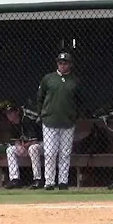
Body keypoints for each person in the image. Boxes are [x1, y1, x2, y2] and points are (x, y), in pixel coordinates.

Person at [37, 51, 83, 190]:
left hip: (68, 122)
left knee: (65, 153)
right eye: (60, 63)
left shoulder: (75, 81)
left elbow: (79, 101)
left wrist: (74, 116)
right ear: (57, 64)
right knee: (50, 153)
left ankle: (63, 182)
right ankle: (49, 182)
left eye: (65, 63)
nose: (62, 65)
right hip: (50, 121)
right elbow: (40, 97)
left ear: (70, 64)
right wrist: (42, 114)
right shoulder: (48, 79)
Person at [1, 103, 43, 189]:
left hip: (41, 144)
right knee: (10, 150)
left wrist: (24, 146)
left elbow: (34, 140)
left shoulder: (27, 120)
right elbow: (16, 141)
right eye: (7, 113)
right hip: (26, 146)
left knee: (33, 148)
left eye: (11, 113)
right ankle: (15, 179)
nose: (9, 115)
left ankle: (38, 179)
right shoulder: (12, 124)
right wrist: (19, 146)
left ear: (17, 112)